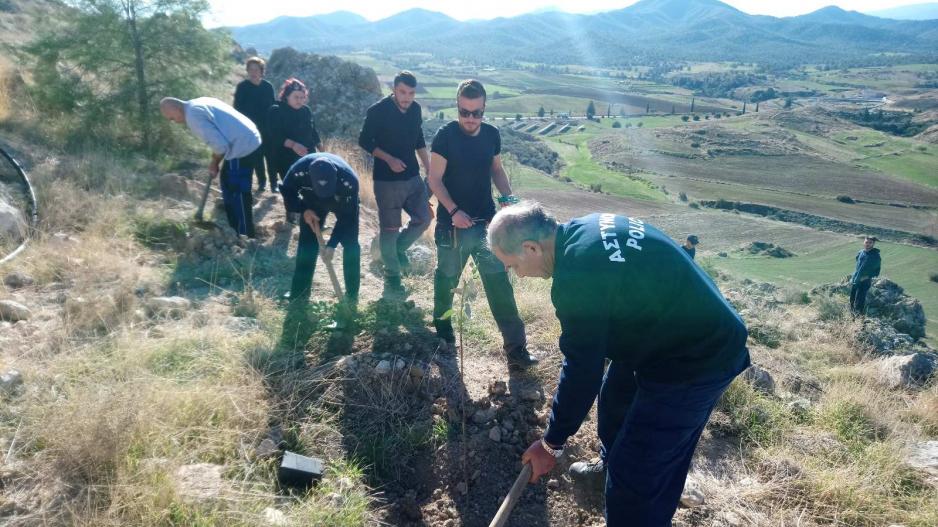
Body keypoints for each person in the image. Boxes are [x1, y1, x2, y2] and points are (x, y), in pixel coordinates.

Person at [487, 202, 750, 526]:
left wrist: (551, 443)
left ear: (531, 248)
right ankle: (608, 473)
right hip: (668, 333)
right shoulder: (584, 229)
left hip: (698, 357)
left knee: (640, 469)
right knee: (615, 400)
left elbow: (582, 372)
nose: (518, 274)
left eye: (513, 265)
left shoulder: (576, 277)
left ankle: (633, 506)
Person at [427, 79, 536, 369]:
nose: (470, 118)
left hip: (488, 224)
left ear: (484, 109)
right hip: (453, 227)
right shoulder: (445, 136)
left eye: (477, 112)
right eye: (465, 111)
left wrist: (508, 196)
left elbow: (496, 169)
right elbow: (434, 179)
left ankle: (517, 351)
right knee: (447, 281)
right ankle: (444, 336)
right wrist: (453, 211)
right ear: (457, 107)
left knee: (500, 286)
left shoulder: (491, 134)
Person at [358, 70, 432, 296]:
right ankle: (392, 279)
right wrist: (389, 159)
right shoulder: (378, 111)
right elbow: (364, 141)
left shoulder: (416, 109)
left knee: (424, 218)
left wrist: (429, 168)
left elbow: (418, 138)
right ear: (394, 89)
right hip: (386, 181)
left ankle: (398, 250)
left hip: (412, 177)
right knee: (390, 230)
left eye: (411, 93)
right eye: (402, 92)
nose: (407, 97)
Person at [159, 96, 260, 237]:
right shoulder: (198, 102)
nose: (174, 122)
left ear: (176, 108)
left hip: (242, 145)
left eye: (171, 118)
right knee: (227, 182)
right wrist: (217, 162)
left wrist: (214, 163)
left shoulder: (193, 116)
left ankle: (244, 234)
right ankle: (235, 227)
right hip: (248, 137)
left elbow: (220, 146)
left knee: (237, 189)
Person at [279, 153, 360, 307]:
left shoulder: (349, 180)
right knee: (307, 244)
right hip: (312, 201)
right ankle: (299, 293)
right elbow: (287, 193)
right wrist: (304, 210)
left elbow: (347, 218)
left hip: (341, 201)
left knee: (350, 245)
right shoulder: (298, 171)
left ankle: (351, 298)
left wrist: (332, 244)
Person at [267, 78, 323, 193]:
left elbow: (313, 131)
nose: (299, 100)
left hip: (308, 155)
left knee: (310, 188)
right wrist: (293, 145)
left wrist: (321, 148)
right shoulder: (276, 110)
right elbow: (275, 136)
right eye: (296, 97)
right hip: (285, 157)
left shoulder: (306, 110)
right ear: (287, 96)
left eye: (302, 97)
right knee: (292, 189)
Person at [233, 56, 276, 193]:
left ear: (262, 71)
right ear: (247, 71)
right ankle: (262, 182)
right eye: (250, 69)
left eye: (256, 69)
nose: (253, 72)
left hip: (268, 128)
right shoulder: (242, 87)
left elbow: (273, 108)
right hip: (250, 129)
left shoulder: (268, 87)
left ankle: (274, 184)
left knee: (271, 156)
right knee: (257, 157)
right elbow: (237, 109)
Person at [849, 235, 881, 316]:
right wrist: (855, 276)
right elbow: (858, 263)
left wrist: (865, 277)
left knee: (859, 301)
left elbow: (876, 271)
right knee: (852, 299)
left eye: (870, 243)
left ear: (873, 244)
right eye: (866, 242)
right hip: (856, 279)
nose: (868, 244)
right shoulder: (861, 252)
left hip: (864, 282)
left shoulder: (875, 256)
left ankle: (858, 318)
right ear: (864, 242)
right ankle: (851, 315)